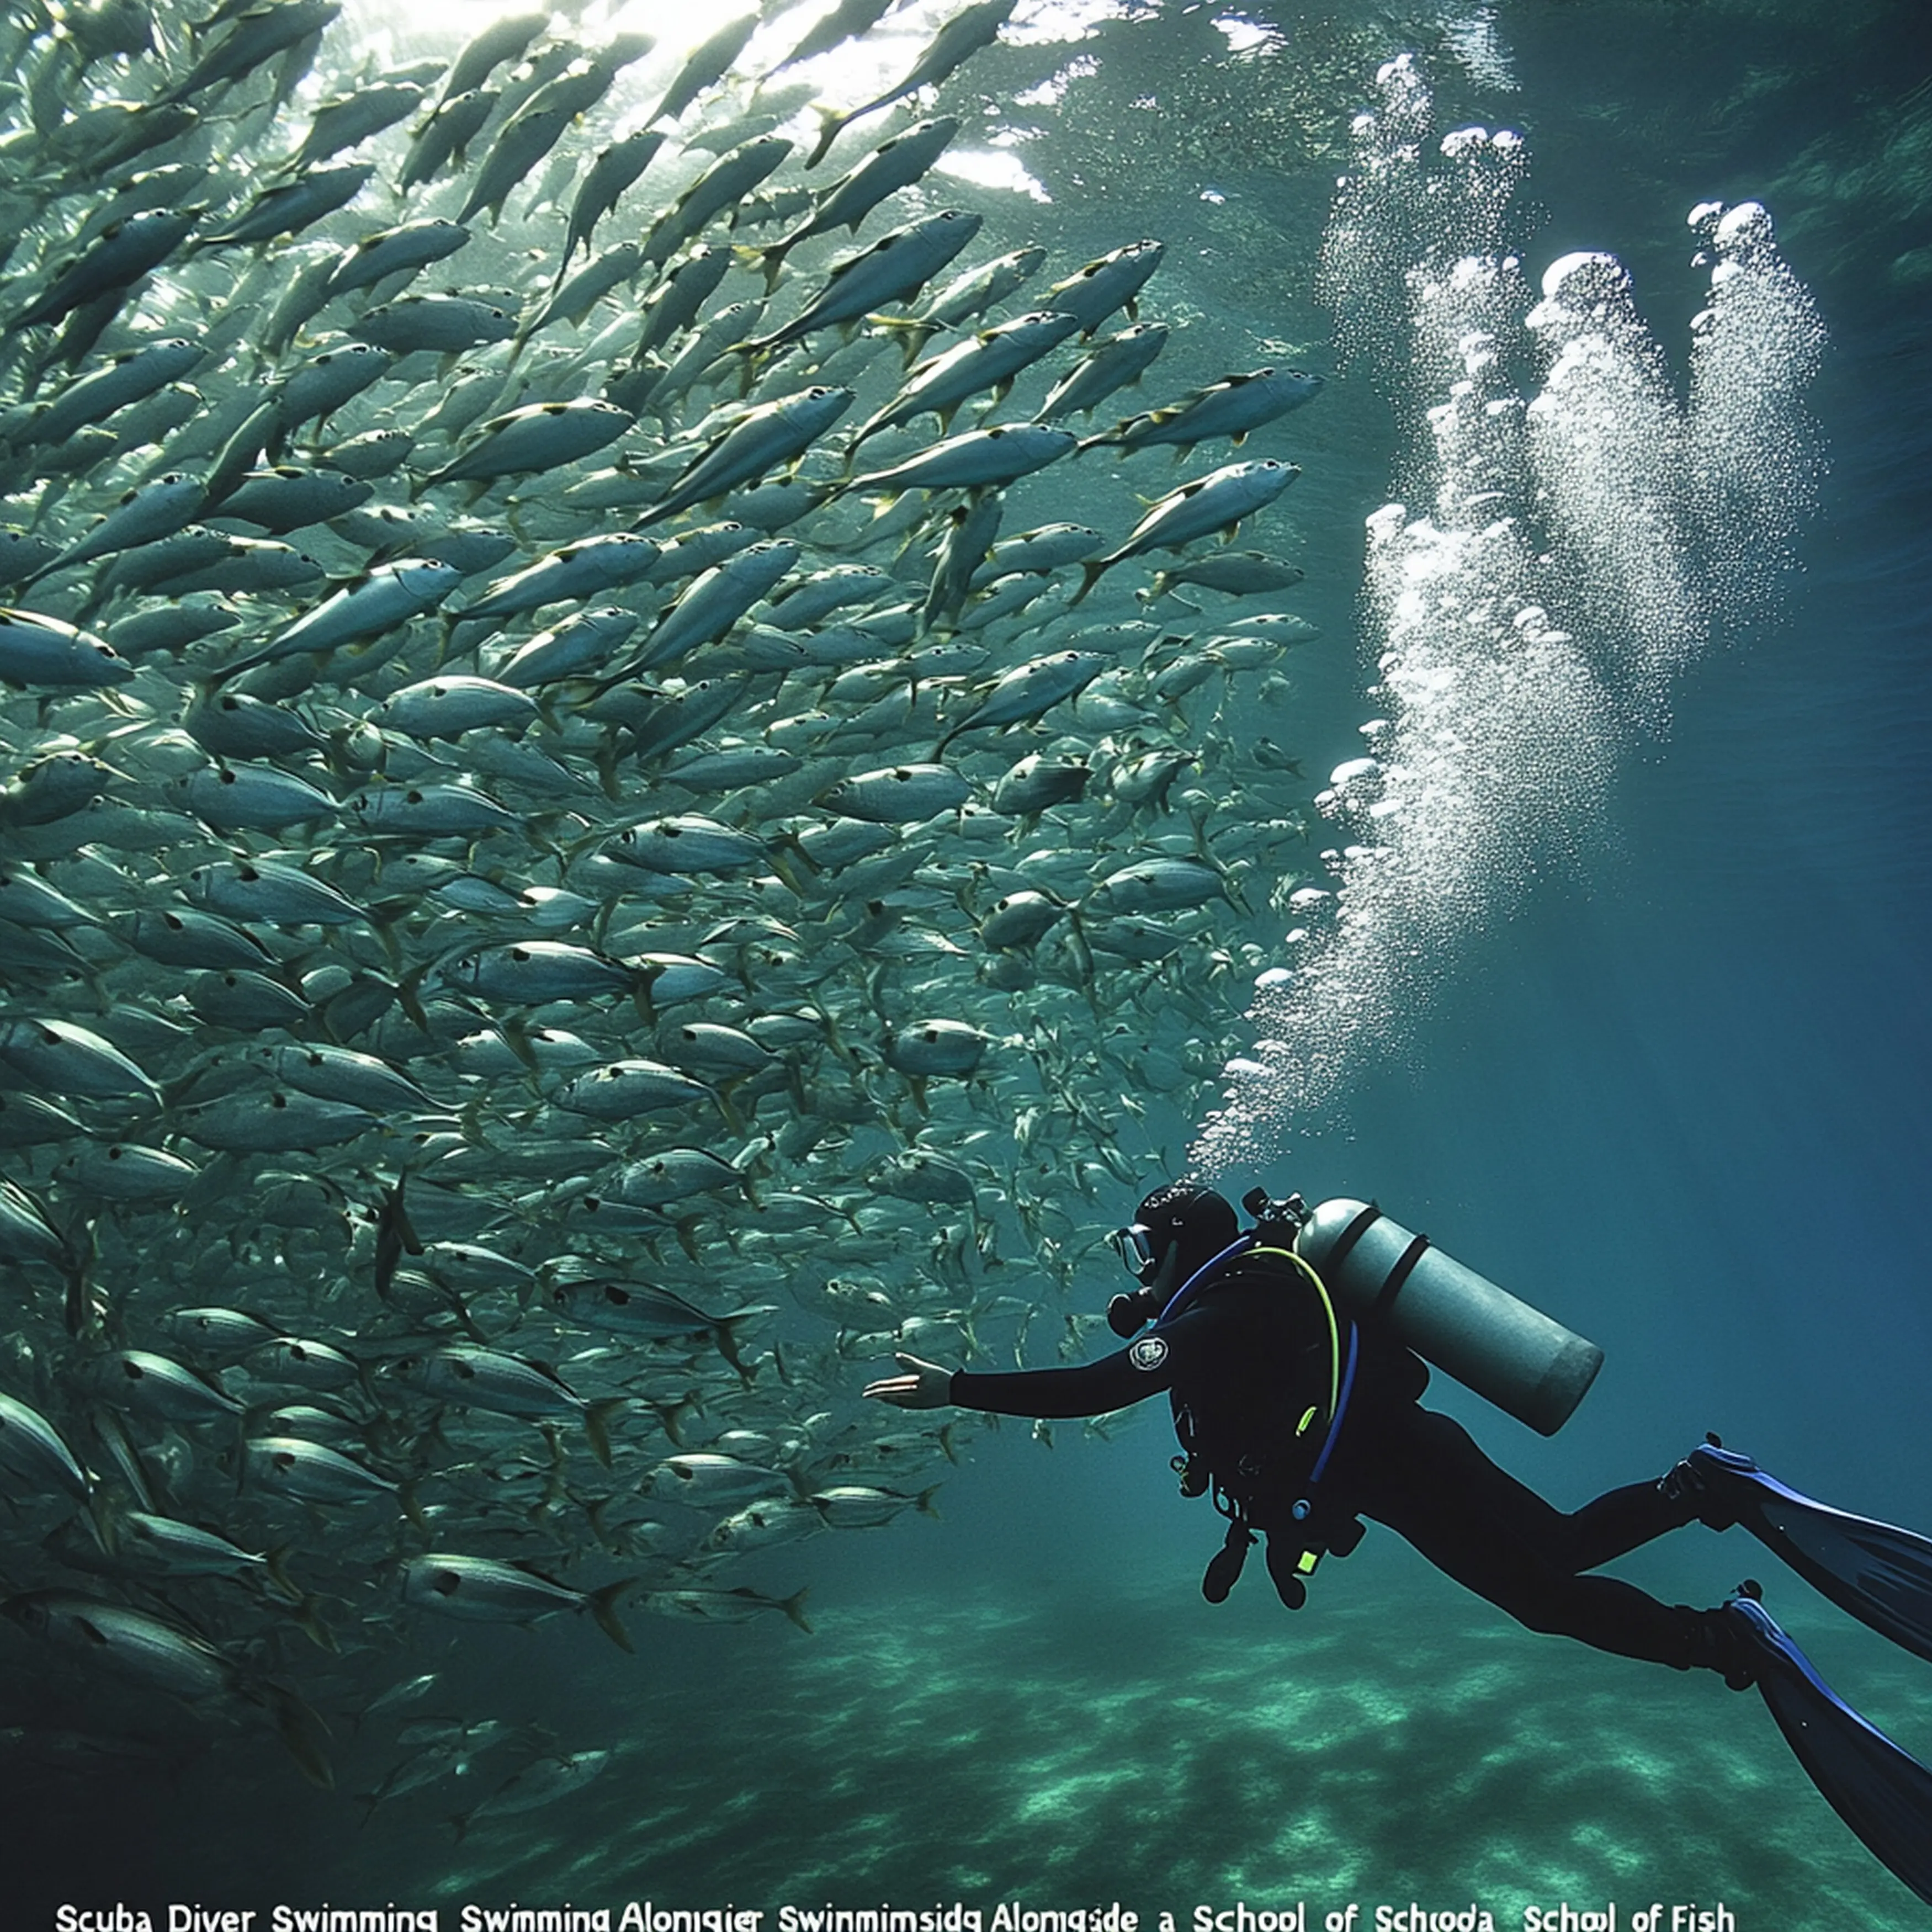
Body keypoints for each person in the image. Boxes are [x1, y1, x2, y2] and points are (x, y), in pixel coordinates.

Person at [864, 1179, 1932, 1903]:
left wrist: (959, 1388)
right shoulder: (1234, 1297)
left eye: (1144, 1250)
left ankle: (1713, 1550)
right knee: (1547, 1584)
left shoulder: (1230, 1300)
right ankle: (1717, 1599)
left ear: (1183, 1244)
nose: (1136, 1271)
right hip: (1382, 1470)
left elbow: (1103, 1386)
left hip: (1406, 1456)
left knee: (1550, 1571)